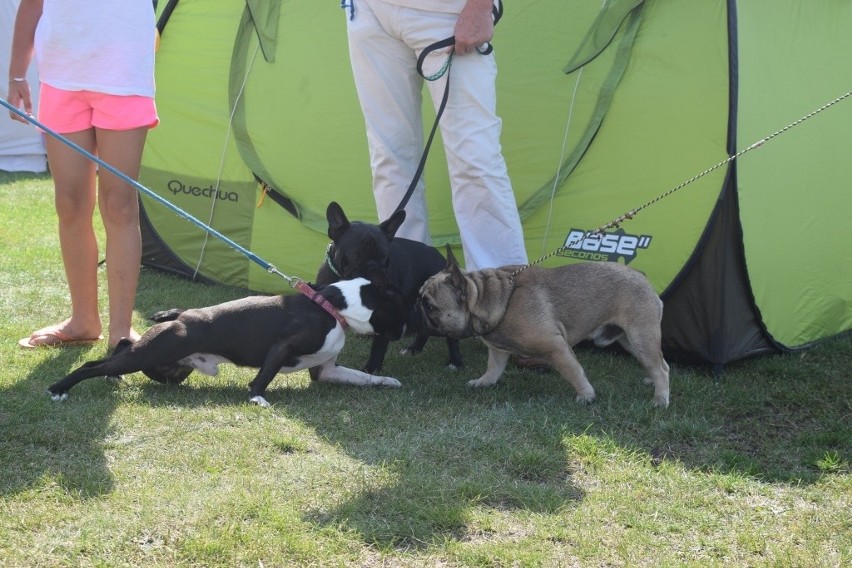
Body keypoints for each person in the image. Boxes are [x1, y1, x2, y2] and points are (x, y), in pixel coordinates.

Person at [7, 0, 158, 349]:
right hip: (61, 79)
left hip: (124, 77)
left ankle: (122, 331)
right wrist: (17, 74)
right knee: (71, 203)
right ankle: (84, 320)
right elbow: (32, 3)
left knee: (119, 203)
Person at [344, 0, 528, 271]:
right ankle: (408, 291)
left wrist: (480, 6)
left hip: (450, 13)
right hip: (369, 13)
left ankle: (503, 295)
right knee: (389, 158)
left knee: (475, 159)